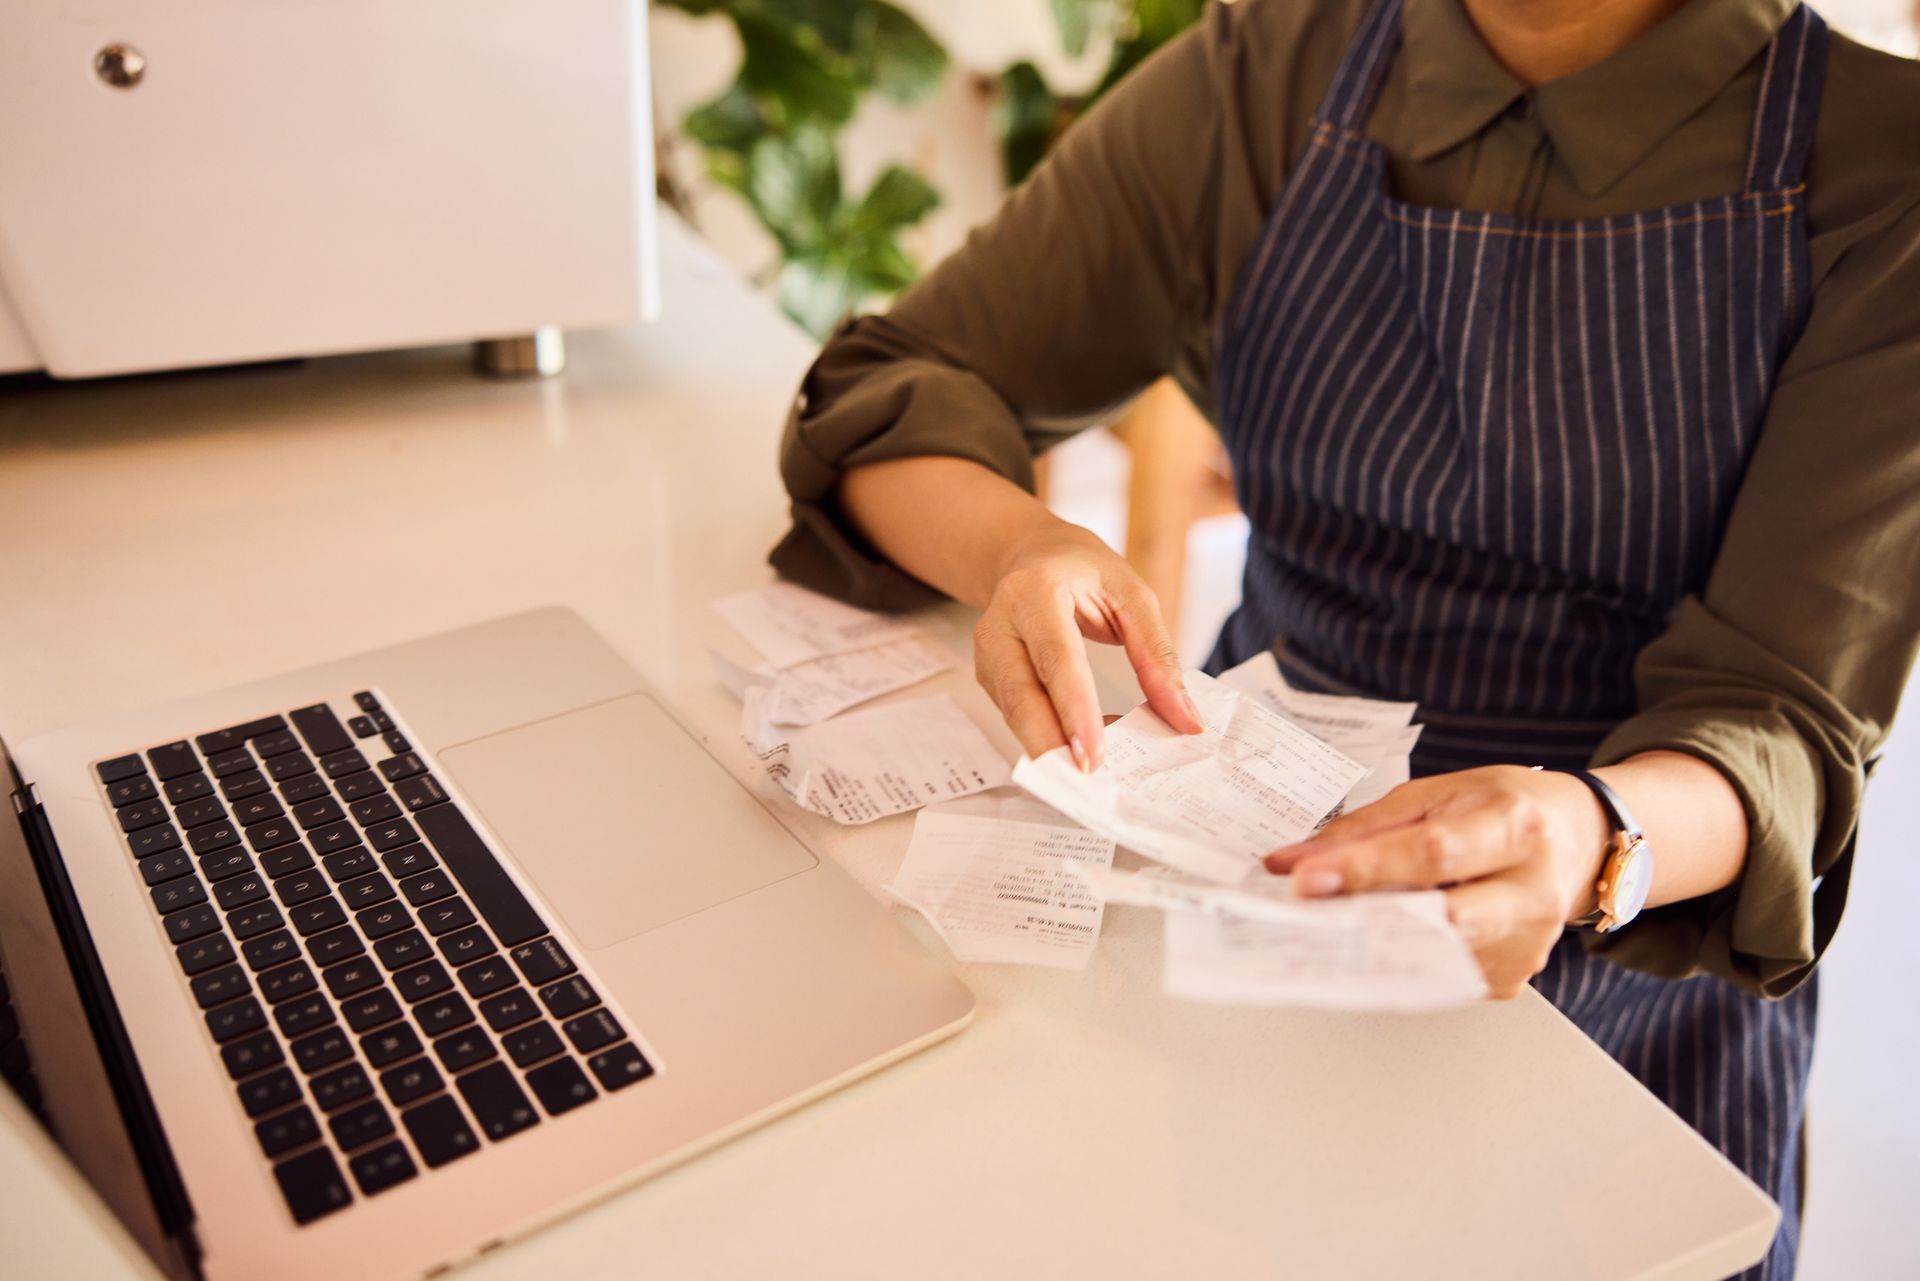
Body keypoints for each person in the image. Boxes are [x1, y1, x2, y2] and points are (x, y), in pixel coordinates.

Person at [769, 0, 1920, 1274]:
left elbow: (1785, 722)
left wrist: (1593, 838)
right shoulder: (1264, 74)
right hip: (1253, 893)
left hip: (1629, 941)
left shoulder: (1884, 167)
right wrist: (1020, 549)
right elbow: (893, 385)